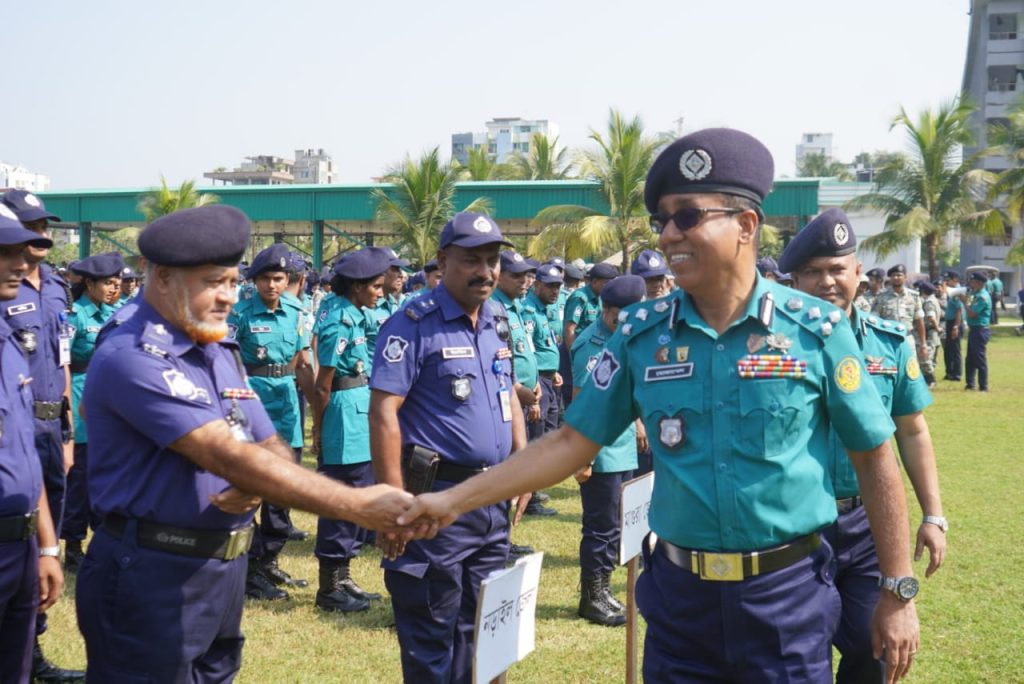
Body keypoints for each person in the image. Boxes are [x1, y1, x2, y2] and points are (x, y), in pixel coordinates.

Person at [401, 129, 920, 684]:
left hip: (785, 598)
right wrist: (453, 499)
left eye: (688, 216)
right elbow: (571, 442)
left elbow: (874, 456)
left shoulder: (815, 332)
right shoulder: (642, 335)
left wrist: (897, 589)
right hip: (680, 604)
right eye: (662, 220)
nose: (669, 234)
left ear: (745, 225)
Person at [77, 205, 419, 682]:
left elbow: (264, 439)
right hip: (151, 573)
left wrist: (258, 483)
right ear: (162, 278)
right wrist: (357, 504)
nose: (227, 297)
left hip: (221, 569)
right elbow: (227, 452)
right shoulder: (133, 353)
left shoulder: (212, 346)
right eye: (212, 282)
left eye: (232, 282)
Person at [780, 208, 946, 684]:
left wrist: (933, 516)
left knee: (872, 650)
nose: (826, 282)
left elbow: (912, 431)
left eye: (837, 270)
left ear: (858, 274)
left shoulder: (889, 345)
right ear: (793, 280)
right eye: (812, 271)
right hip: (794, 527)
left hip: (867, 524)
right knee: (792, 654)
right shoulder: (769, 349)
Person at [368, 212, 531, 683]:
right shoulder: (412, 324)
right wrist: (393, 501)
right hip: (435, 503)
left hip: (491, 502)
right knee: (433, 639)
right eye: (471, 260)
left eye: (493, 260)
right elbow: (383, 413)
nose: (486, 271)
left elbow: (509, 392)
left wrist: (523, 468)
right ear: (442, 261)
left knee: (484, 633)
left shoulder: (497, 317)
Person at [0, 189, 84, 682]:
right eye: (7, 250)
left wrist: (48, 548)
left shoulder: (53, 289)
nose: (27, 255)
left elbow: (60, 360)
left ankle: (33, 652)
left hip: (45, 438)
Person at [228, 244, 315, 600]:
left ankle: (270, 561)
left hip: (287, 404)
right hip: (253, 405)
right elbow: (230, 363)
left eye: (278, 279)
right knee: (251, 488)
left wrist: (315, 408)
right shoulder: (241, 314)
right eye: (265, 278)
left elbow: (301, 360)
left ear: (288, 280)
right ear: (255, 281)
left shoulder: (297, 311)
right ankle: (249, 570)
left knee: (284, 487)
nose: (272, 285)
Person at [311, 247, 393, 613]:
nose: (381, 291)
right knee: (343, 501)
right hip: (343, 418)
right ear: (357, 286)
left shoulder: (355, 314)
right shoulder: (338, 321)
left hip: (360, 415)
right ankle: (329, 587)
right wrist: (319, 427)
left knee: (359, 494)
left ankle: (343, 577)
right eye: (375, 286)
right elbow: (322, 384)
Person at [570, 274, 645, 627]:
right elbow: (583, 402)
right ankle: (591, 596)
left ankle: (604, 589)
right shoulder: (592, 343)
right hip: (602, 452)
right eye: (626, 313)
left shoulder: (624, 338)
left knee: (615, 527)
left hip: (624, 446)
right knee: (599, 527)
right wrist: (583, 456)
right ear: (609, 311)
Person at [63, 252, 125, 579]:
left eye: (117, 284)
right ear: (89, 284)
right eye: (107, 284)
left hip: (109, 403)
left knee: (107, 473)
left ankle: (104, 536)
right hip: (80, 394)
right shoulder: (74, 316)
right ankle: (73, 545)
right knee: (81, 478)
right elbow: (63, 363)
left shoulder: (117, 314)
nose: (114, 289)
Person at [871, 265, 927, 364]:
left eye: (899, 275)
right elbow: (874, 321)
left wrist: (923, 344)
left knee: (909, 368)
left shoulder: (913, 297)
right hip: (888, 340)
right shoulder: (881, 297)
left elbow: (919, 321)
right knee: (890, 368)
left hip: (907, 339)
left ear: (905, 277)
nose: (896, 278)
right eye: (893, 276)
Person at [562, 262, 617, 350]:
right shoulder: (580, 297)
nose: (610, 287)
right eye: (606, 283)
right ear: (594, 282)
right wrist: (573, 356)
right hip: (577, 349)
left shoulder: (600, 297)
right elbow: (569, 329)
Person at [962, 272, 992, 392]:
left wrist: (964, 302)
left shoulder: (982, 297)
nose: (971, 283)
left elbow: (972, 313)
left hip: (980, 330)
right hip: (974, 329)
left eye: (973, 281)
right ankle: (970, 384)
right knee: (970, 358)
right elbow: (970, 305)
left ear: (979, 283)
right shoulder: (975, 294)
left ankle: (983, 386)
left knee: (979, 358)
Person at [914, 280, 942, 388]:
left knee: (926, 358)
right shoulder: (934, 299)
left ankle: (930, 380)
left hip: (931, 332)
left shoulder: (929, 302)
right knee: (930, 357)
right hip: (932, 332)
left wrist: (937, 327)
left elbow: (931, 317)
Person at [941, 271, 966, 380]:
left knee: (955, 349)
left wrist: (956, 326)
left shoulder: (957, 291)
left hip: (955, 322)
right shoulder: (953, 291)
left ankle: (957, 373)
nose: (946, 282)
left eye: (948, 280)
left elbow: (959, 310)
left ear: (955, 280)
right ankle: (950, 372)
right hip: (950, 321)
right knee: (949, 348)